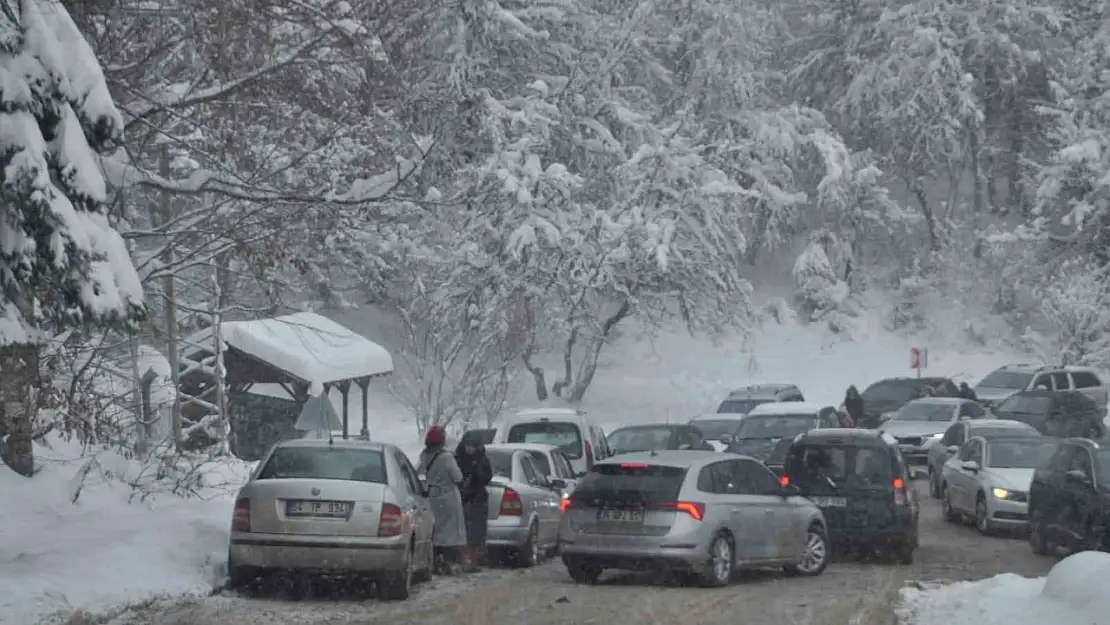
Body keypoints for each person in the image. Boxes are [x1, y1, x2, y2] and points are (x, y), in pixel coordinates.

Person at [418, 426, 467, 575]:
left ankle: (435, 560)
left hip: (433, 497)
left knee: (436, 529)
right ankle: (449, 561)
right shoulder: (447, 457)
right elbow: (457, 477)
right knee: (451, 531)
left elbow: (419, 473)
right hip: (448, 497)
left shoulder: (424, 456)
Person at [455, 431, 493, 571]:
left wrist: (478, 475)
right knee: (462, 531)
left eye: (473, 446)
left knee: (476, 533)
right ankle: (462, 559)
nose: (470, 449)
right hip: (462, 498)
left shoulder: (483, 459)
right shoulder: (457, 458)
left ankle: (473, 560)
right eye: (467, 446)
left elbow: (487, 477)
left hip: (477, 498)